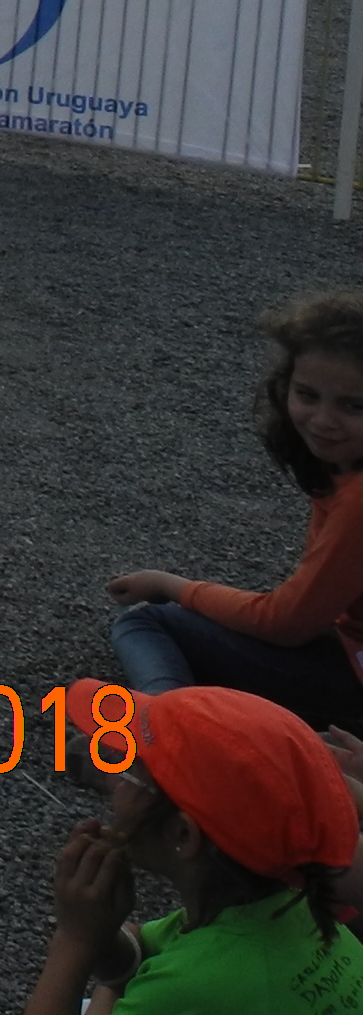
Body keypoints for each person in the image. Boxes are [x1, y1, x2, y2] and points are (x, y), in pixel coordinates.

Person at [104, 291, 363, 734]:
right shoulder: (344, 469)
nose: (322, 420)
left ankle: (164, 729)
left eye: (354, 406)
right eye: (307, 395)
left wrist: (173, 586)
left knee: (146, 623)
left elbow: (285, 623)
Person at [26, 682, 361, 1015]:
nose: (111, 781)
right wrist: (101, 930)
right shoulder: (285, 906)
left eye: (128, 770)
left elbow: (164, 978)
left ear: (183, 835)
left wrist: (74, 941)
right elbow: (146, 948)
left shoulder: (195, 983)